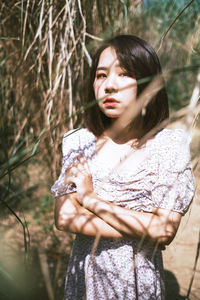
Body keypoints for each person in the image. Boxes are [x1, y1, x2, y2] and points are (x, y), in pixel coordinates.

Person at [51, 35, 194, 300]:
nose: (109, 86)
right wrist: (145, 230)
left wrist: (91, 200)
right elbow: (64, 218)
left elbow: (164, 230)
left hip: (138, 288)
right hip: (84, 287)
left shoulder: (169, 145)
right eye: (101, 75)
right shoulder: (78, 142)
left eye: (125, 74)